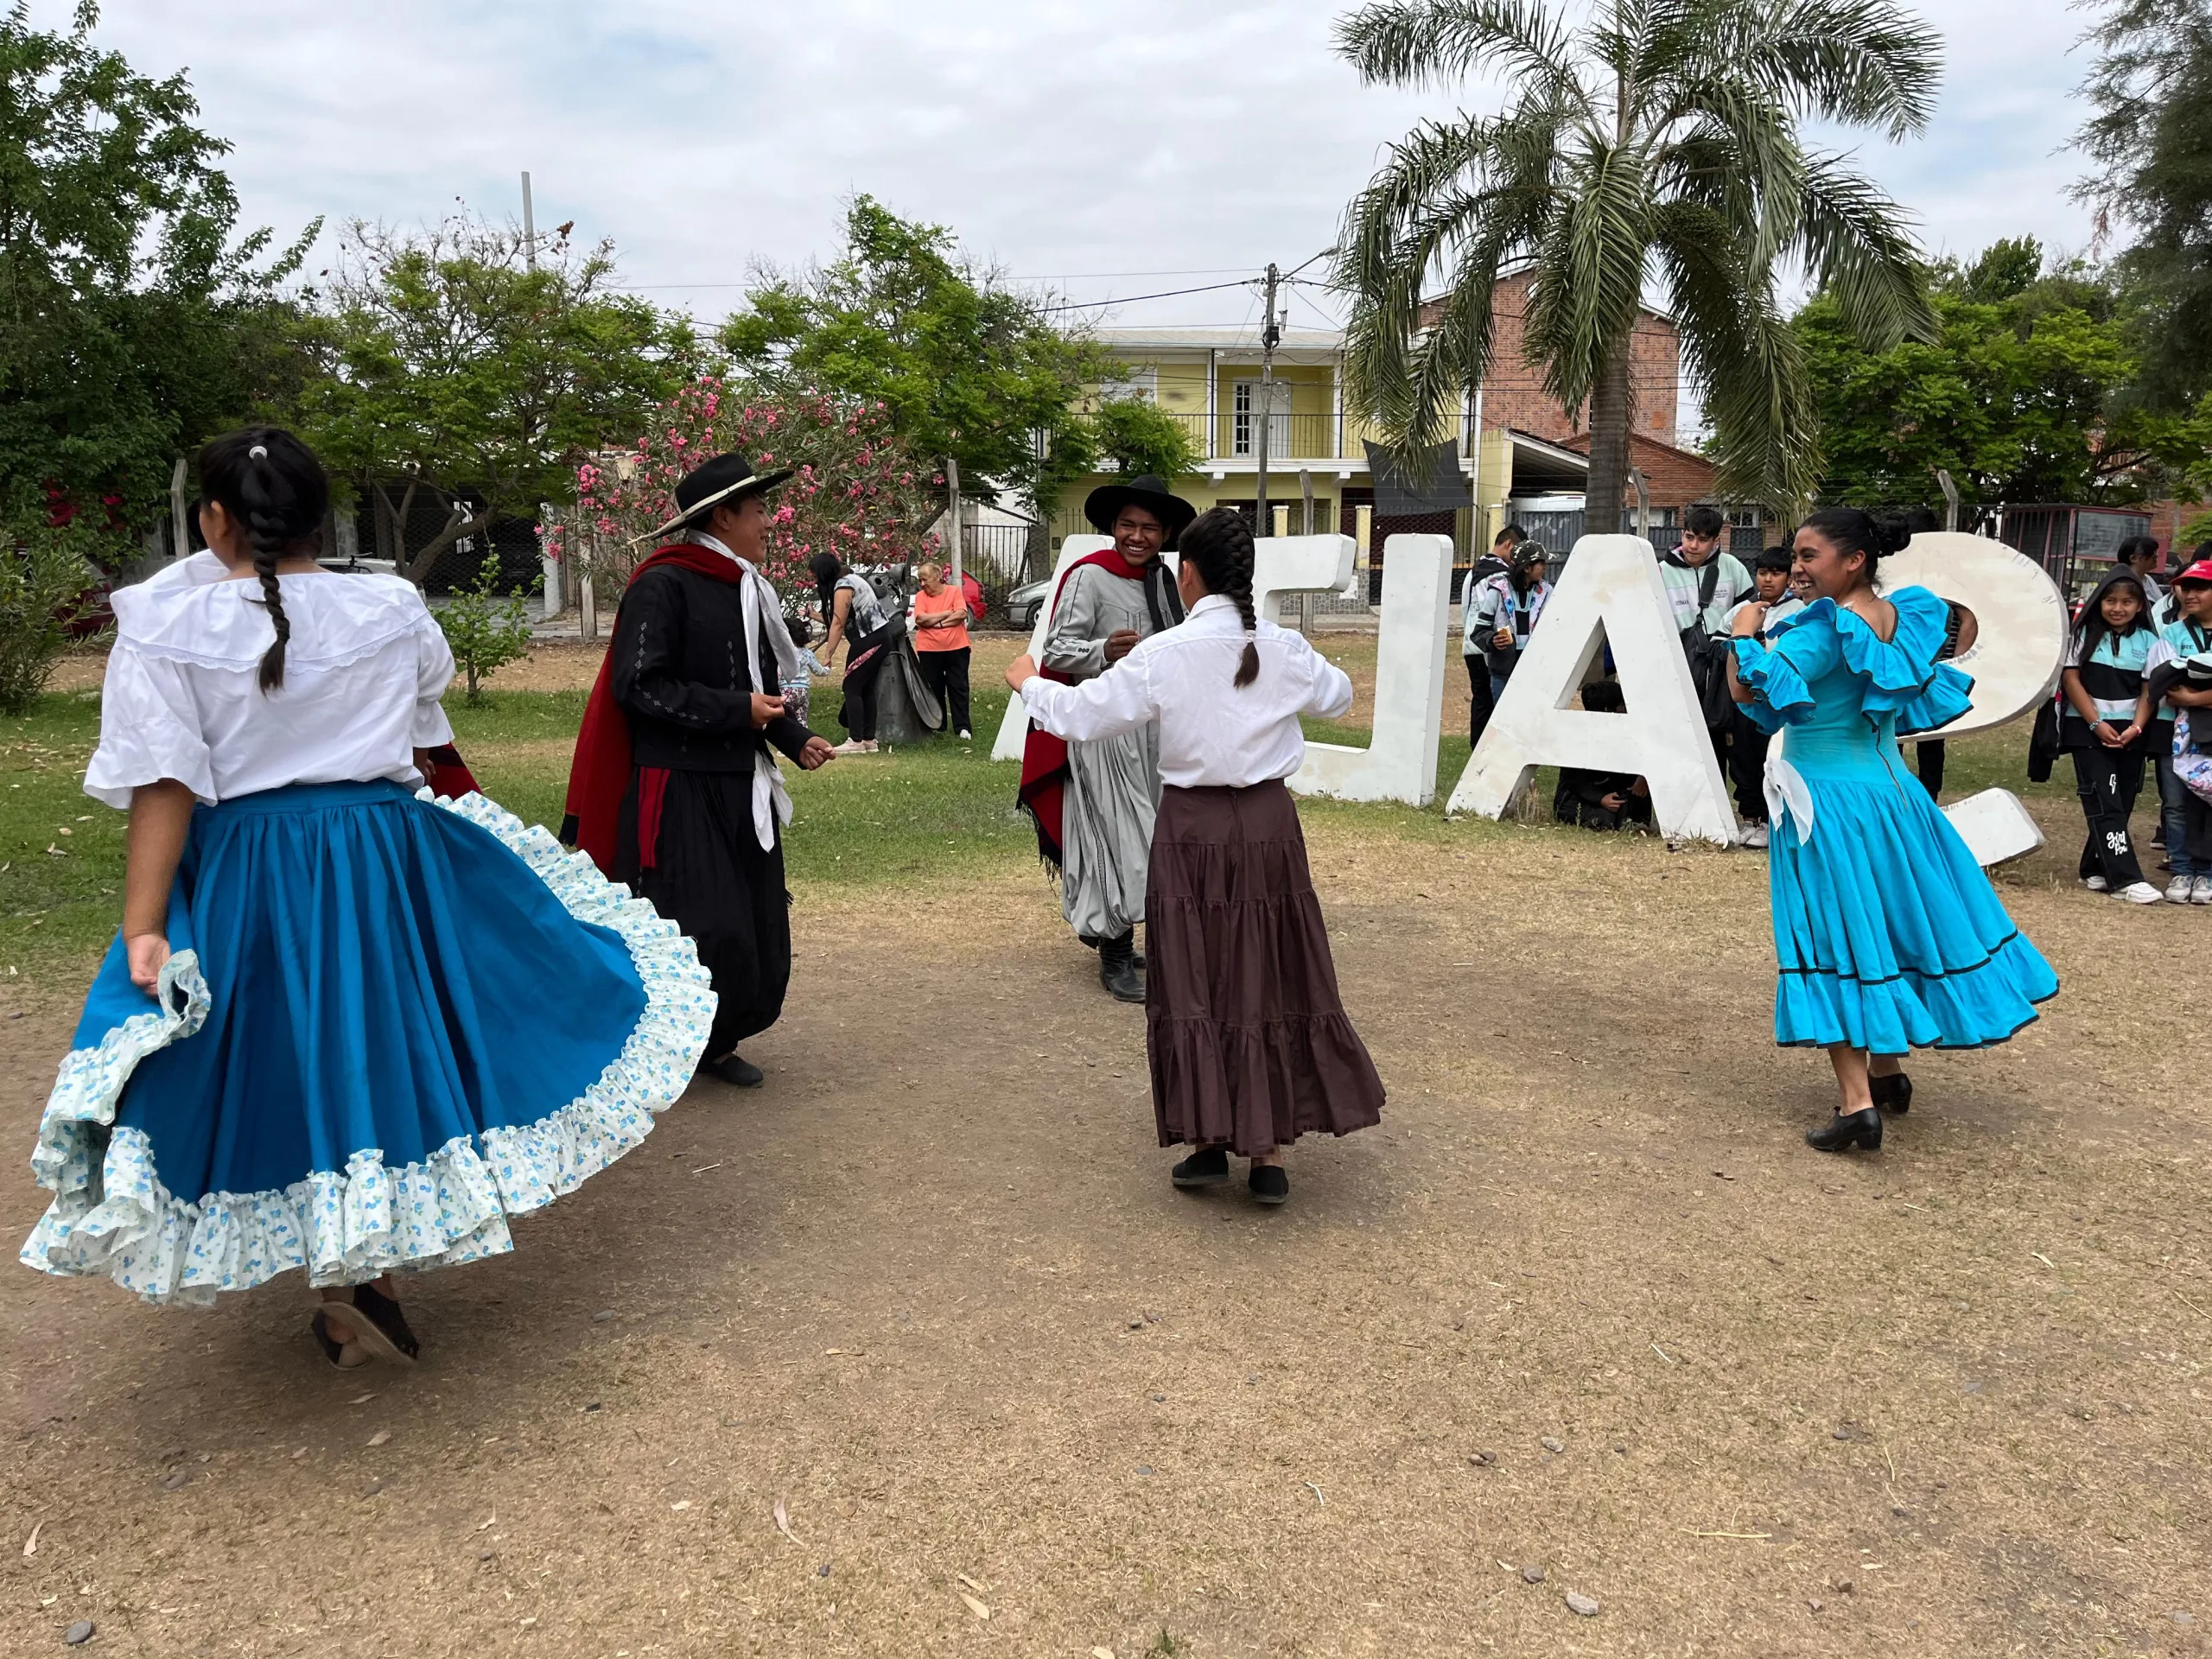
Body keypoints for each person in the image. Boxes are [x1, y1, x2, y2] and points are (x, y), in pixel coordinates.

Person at [22, 429, 715, 1362]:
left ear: (215, 520)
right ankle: (365, 1276)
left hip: (250, 867)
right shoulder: (389, 607)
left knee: (280, 1051)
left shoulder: (167, 626)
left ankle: (351, 1276)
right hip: (382, 857)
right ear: (322, 517)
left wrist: (145, 925)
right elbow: (422, 724)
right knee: (373, 1043)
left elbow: (165, 784)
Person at [1006, 507, 1386, 1205]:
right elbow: (1339, 697)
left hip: (1192, 827)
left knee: (1196, 975)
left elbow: (1083, 716)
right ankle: (1266, 1152)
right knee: (1267, 973)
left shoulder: (1166, 652)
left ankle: (1210, 1138)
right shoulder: (1281, 645)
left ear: (1188, 574)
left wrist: (1027, 679)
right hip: (1268, 826)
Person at [1726, 507, 2057, 1153]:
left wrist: (1742, 633)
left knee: (1836, 937)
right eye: (1796, 555)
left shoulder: (1821, 628)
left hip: (1827, 802)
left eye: (1810, 555)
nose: (1797, 567)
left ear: (1854, 561)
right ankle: (1886, 1072)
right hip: (1893, 797)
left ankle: (1857, 1105)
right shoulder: (1901, 617)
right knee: (1881, 923)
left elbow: (1748, 692)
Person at [563, 452, 837, 1090]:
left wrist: (795, 738)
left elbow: (759, 689)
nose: (769, 522)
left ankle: (716, 1041)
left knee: (755, 917)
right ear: (723, 517)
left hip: (741, 783)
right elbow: (640, 686)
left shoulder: (749, 589)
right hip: (678, 786)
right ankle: (668, 1042)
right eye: (759, 510)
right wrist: (737, 710)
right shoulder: (663, 584)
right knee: (700, 922)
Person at [1018, 474, 1193, 1002]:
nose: (1137, 537)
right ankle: (1115, 952)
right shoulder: (1088, 576)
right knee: (1117, 839)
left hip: (1155, 734)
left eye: (1149, 528)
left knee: (1153, 839)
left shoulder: (1166, 582)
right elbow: (1055, 651)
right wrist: (1102, 652)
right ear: (1113, 527)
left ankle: (1119, 933)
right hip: (1103, 732)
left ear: (1165, 533)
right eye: (1127, 525)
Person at [2059, 568, 2166, 904]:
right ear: (2099, 602)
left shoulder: (2150, 642)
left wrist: (2136, 727)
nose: (2117, 608)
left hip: (2132, 733)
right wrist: (2096, 723)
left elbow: (2150, 690)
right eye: (2110, 601)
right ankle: (2125, 879)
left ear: (2139, 606)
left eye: (2126, 602)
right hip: (2087, 731)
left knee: (2122, 801)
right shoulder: (2081, 636)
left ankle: (2093, 867)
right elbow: (2071, 680)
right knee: (2104, 799)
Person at [1718, 548, 1802, 846]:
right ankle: (1749, 817)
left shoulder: (1799, 611)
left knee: (1771, 757)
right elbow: (1720, 641)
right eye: (1763, 572)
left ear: (1789, 578)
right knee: (1742, 757)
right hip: (1744, 698)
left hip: (1777, 700)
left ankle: (1770, 820)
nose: (1767, 579)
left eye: (1776, 573)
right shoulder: (1743, 610)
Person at [1664, 504, 1755, 773]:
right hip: (1679, 664)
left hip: (1722, 667)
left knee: (1720, 734)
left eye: (1703, 540)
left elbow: (1749, 613)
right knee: (1680, 738)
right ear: (1682, 534)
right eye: (1689, 537)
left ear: (1716, 541)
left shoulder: (1732, 567)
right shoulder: (1660, 571)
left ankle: (1719, 792)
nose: (1694, 546)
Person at [2147, 557, 2212, 901]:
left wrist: (2195, 697)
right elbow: (2166, 686)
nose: (2190, 595)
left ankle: (2207, 874)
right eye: (2186, 588)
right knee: (2175, 804)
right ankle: (2182, 871)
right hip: (2173, 732)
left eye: (2200, 588)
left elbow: (2183, 688)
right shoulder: (2171, 634)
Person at [808, 552, 896, 754]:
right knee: (866, 688)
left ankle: (855, 741)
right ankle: (868, 740)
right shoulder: (851, 579)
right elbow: (840, 619)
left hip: (869, 639)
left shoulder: (843, 586)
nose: (814, 581)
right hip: (880, 637)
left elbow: (838, 624)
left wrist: (828, 655)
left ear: (823, 573)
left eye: (815, 576)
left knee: (852, 687)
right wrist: (813, 615)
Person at [1551, 679, 1651, 829]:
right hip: (1582, 798)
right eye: (1621, 705)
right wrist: (1600, 798)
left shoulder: (1626, 732)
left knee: (1633, 812)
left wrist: (1642, 777)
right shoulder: (1578, 737)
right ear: (1607, 710)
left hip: (1612, 792)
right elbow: (1573, 779)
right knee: (1604, 819)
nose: (1625, 709)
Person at [1466, 536, 1551, 710]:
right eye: (1541, 563)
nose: (1545, 567)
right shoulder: (1498, 589)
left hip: (1534, 669)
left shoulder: (1546, 591)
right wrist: (1492, 640)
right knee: (1503, 717)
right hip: (1502, 671)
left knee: (1531, 717)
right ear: (1527, 568)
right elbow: (1478, 632)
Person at [1461, 524, 1524, 746]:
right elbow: (1503, 614)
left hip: (1472, 645)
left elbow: (1466, 609)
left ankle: (1477, 751)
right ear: (1508, 544)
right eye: (1517, 552)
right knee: (1494, 701)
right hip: (1492, 646)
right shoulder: (1501, 575)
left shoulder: (1473, 572)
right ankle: (1489, 749)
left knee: (1481, 700)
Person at [908, 559, 974, 739]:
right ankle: (938, 725)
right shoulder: (921, 597)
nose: (922, 584)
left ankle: (963, 727)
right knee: (934, 687)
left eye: (925, 579)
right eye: (920, 580)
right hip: (929, 650)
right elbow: (921, 619)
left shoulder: (954, 592)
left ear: (938, 577)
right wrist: (946, 613)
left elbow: (961, 614)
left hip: (957, 647)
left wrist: (937, 623)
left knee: (958, 687)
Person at [781, 615, 829, 727]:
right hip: (803, 691)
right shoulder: (807, 653)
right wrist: (827, 669)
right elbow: (817, 670)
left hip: (786, 690)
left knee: (786, 721)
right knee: (802, 720)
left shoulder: (782, 653)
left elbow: (778, 672)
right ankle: (805, 736)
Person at [2118, 535, 2167, 623]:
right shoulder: (2122, 584)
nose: (2155, 556)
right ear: (2133, 558)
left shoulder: (2148, 579)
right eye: (2150, 552)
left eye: (2155, 551)